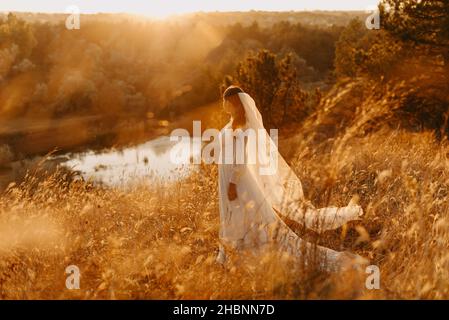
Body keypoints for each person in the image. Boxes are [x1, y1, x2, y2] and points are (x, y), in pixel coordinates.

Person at [215, 85, 365, 272]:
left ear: (233, 102)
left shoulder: (244, 127)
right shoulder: (231, 125)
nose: (223, 104)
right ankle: (232, 256)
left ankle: (245, 257)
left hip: (238, 181)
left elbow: (241, 159)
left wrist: (233, 183)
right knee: (233, 216)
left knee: (243, 217)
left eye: (225, 100)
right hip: (228, 178)